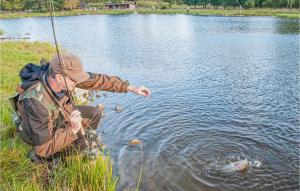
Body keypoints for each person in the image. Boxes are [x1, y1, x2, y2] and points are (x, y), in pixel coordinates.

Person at [12, 53, 151, 159]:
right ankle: (55, 159)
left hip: (59, 115)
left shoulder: (60, 77)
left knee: (95, 113)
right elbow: (42, 148)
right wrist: (71, 130)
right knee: (80, 146)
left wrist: (130, 88)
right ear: (60, 77)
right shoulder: (35, 102)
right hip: (41, 138)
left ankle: (75, 142)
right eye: (75, 80)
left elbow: (97, 80)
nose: (77, 83)